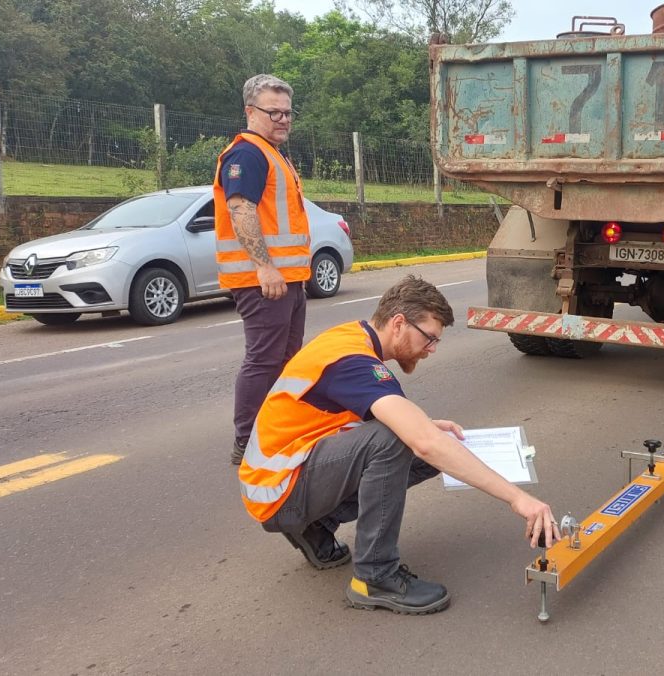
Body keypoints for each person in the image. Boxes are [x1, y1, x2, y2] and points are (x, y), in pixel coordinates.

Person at [237, 275, 561, 615]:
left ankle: (315, 525)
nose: (432, 349)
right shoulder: (354, 362)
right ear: (398, 323)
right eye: (430, 338)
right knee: (398, 439)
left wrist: (427, 430)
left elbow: (336, 415)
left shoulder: (352, 338)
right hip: (278, 491)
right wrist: (518, 498)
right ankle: (374, 576)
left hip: (285, 474)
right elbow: (421, 442)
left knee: (425, 439)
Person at [213, 74, 312, 465]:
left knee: (287, 358)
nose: (283, 119)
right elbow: (241, 210)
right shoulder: (248, 154)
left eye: (288, 113)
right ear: (250, 112)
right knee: (264, 359)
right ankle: (246, 441)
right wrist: (265, 268)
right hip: (264, 282)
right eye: (274, 112)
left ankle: (276, 428)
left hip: (288, 280)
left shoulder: (273, 153)